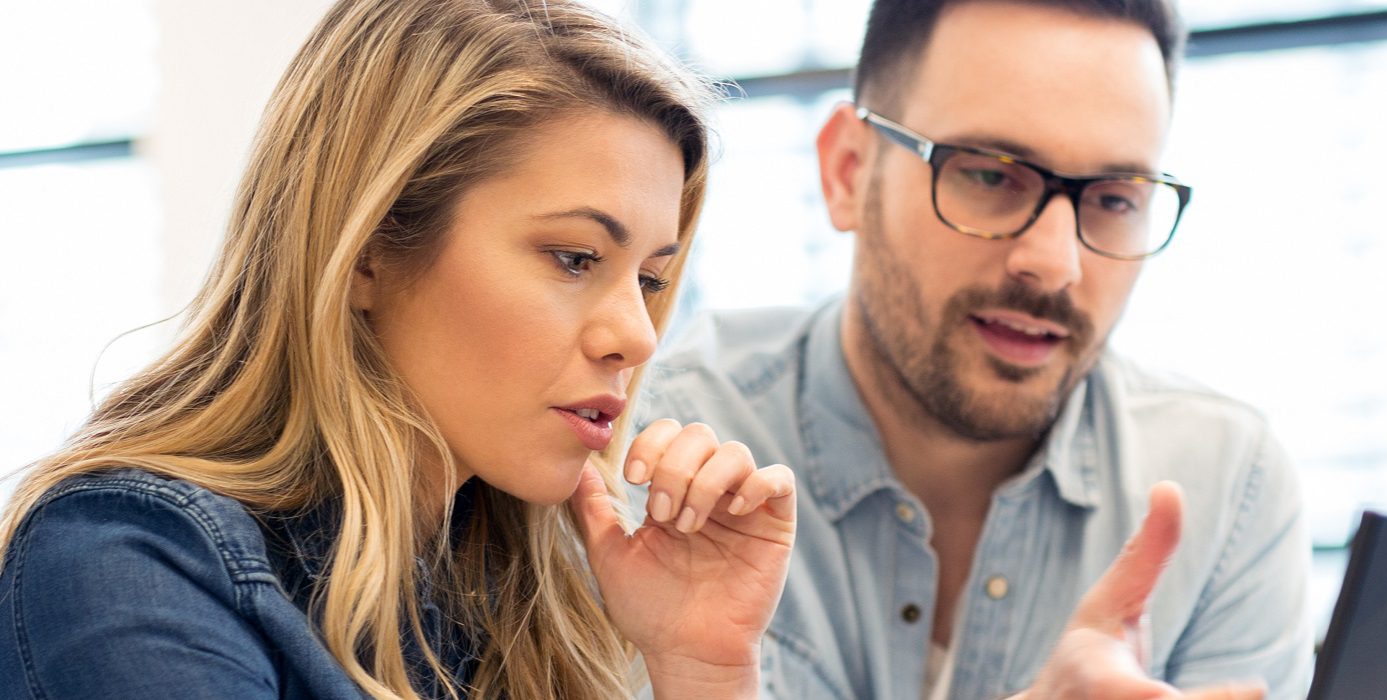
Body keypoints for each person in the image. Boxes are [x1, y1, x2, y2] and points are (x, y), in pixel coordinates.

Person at [0, 1, 795, 698]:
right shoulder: (131, 565)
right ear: (368, 250)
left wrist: (704, 673)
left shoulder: (530, 601)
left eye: (652, 279)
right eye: (576, 258)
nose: (638, 335)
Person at [635, 0, 1311, 698]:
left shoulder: (1229, 490)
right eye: (990, 175)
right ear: (848, 172)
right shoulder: (651, 454)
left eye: (1114, 199)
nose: (1054, 265)